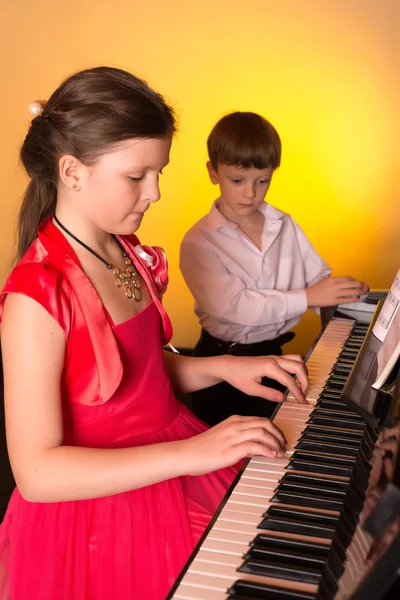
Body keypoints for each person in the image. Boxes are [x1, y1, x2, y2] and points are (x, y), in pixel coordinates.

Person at [0, 68, 308, 600]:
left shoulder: (122, 251)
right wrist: (197, 453)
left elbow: (125, 371)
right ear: (73, 172)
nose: (157, 192)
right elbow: (37, 473)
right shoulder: (37, 295)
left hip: (172, 451)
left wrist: (222, 367)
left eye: (158, 173)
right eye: (137, 176)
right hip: (98, 511)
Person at [180, 111, 368, 426]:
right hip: (223, 365)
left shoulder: (285, 225)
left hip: (275, 356)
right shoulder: (199, 243)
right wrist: (309, 297)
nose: (250, 193)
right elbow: (237, 308)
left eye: (262, 180)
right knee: (233, 456)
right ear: (213, 172)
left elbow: (319, 282)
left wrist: (361, 312)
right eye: (237, 180)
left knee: (277, 437)